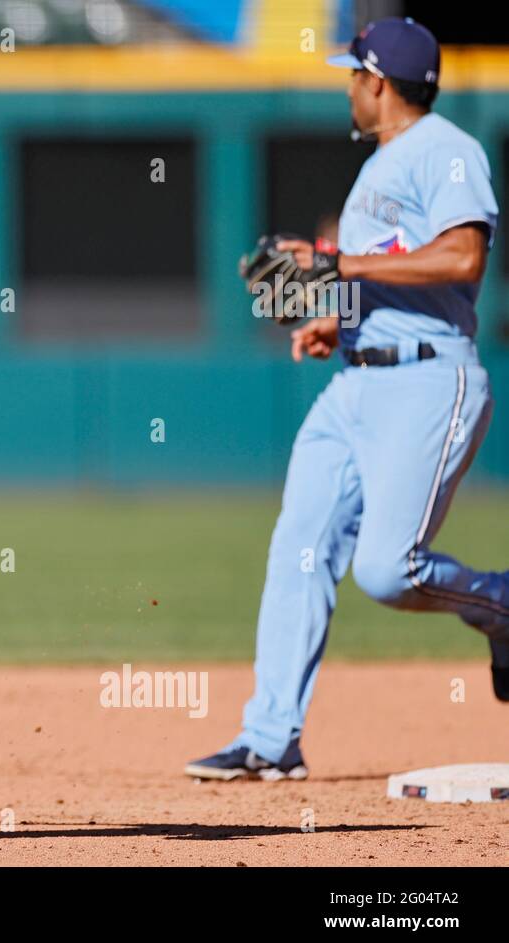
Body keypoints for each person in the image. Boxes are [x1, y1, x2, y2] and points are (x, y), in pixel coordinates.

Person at [188, 17, 507, 781]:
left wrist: (337, 258)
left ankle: (500, 603)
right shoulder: (378, 168)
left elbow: (465, 255)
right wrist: (342, 316)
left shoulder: (446, 150)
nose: (348, 88)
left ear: (379, 82)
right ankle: (270, 741)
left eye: (353, 74)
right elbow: (384, 277)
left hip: (432, 380)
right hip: (358, 381)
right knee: (298, 547)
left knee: (389, 573)